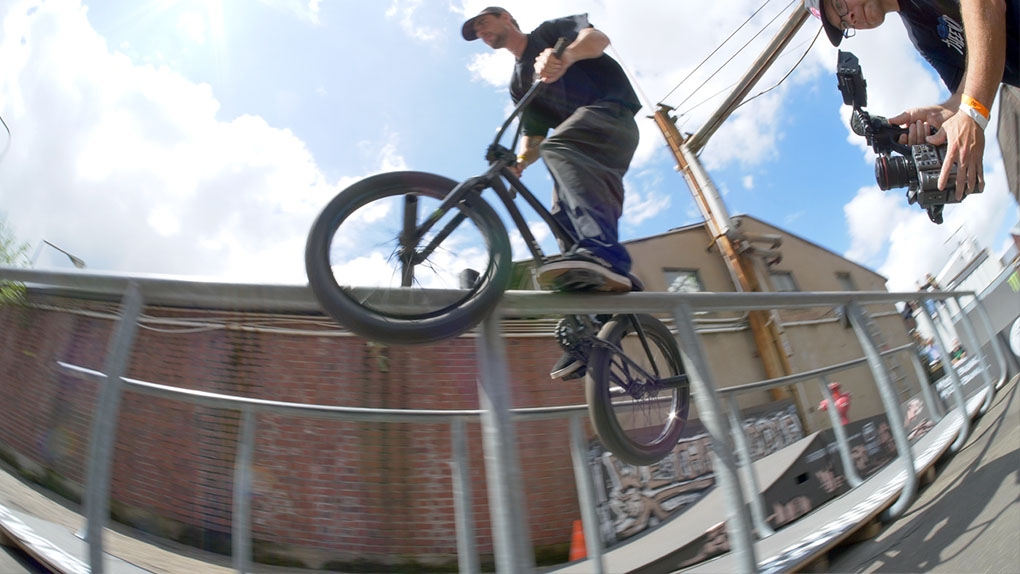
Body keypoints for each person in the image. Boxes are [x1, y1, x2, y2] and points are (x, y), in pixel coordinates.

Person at [461, 7, 641, 294]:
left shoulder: (548, 32)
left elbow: (598, 38)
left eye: (483, 23)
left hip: (611, 116)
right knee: (561, 212)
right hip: (580, 145)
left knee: (560, 146)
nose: (481, 32)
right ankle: (595, 296)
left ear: (506, 17)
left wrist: (566, 56)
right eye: (476, 33)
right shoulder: (519, 83)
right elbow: (534, 138)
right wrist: (518, 163)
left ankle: (605, 255)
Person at [805, 0, 1019, 201]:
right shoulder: (922, 37)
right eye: (843, 23)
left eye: (839, 4)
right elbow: (965, 93)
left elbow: (986, 4)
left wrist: (973, 112)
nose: (849, 18)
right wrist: (941, 113)